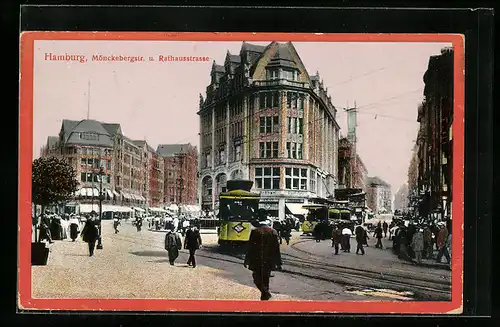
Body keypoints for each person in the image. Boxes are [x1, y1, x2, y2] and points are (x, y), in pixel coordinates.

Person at [244, 218, 282, 301]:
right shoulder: (273, 231)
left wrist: (246, 260)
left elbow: (250, 247)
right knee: (266, 278)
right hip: (269, 259)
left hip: (257, 259)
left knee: (256, 278)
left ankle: (265, 294)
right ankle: (265, 296)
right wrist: (279, 263)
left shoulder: (255, 232)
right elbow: (276, 249)